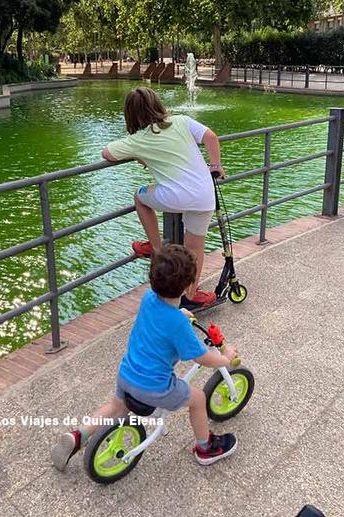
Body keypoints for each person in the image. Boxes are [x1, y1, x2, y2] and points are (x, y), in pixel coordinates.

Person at [51, 244, 238, 471]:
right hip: (154, 387)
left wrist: (179, 311)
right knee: (198, 400)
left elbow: (162, 317)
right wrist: (226, 358)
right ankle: (205, 448)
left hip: (127, 374)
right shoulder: (178, 325)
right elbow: (203, 358)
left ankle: (79, 435)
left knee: (114, 408)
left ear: (152, 280)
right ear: (190, 286)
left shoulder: (149, 298)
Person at [101, 86, 225, 307]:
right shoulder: (182, 121)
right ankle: (191, 294)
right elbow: (211, 137)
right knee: (195, 247)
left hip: (175, 197)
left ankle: (156, 248)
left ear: (130, 114)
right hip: (205, 195)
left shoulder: (138, 139)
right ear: (158, 104)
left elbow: (107, 153)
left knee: (140, 197)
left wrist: (139, 155)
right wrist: (215, 165)